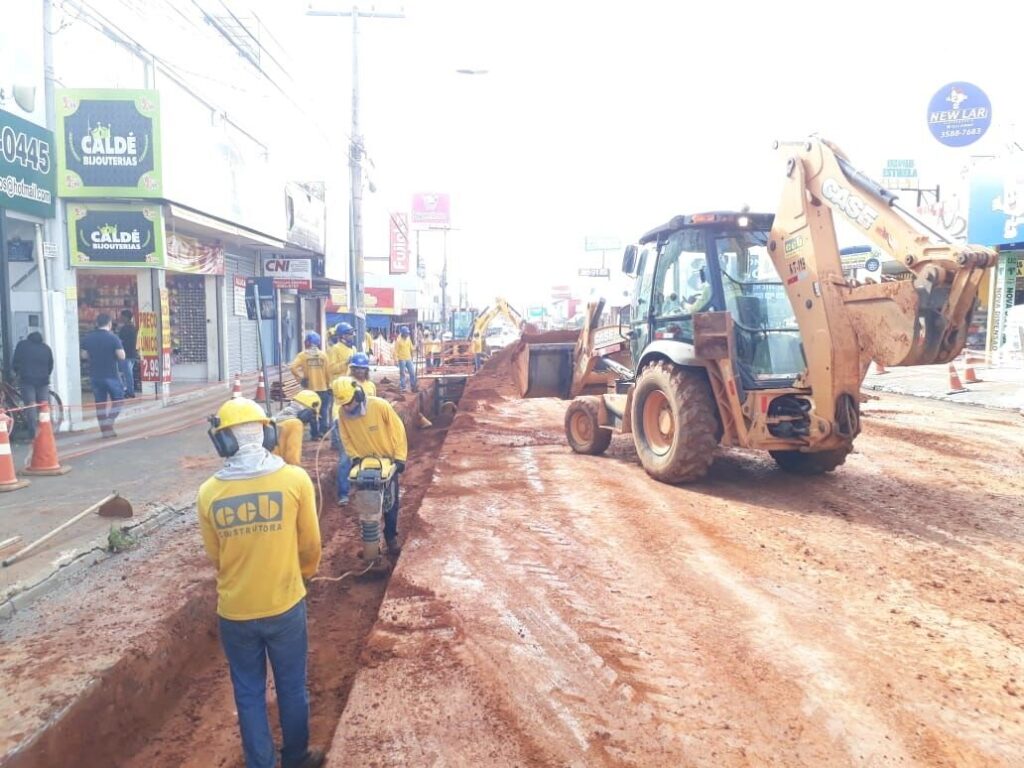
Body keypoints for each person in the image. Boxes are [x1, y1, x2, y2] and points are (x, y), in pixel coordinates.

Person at [198, 398, 324, 768]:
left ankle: (261, 763)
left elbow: (216, 557)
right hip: (285, 604)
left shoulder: (208, 493)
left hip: (235, 612)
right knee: (291, 687)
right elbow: (311, 544)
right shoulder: (294, 479)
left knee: (249, 692)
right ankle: (297, 757)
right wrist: (304, 575)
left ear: (223, 443)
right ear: (268, 433)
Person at [332, 377, 407, 552]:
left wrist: (400, 457)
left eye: (349, 403)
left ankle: (390, 537)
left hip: (387, 462)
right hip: (364, 465)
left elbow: (398, 430)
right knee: (367, 506)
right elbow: (346, 438)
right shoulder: (343, 414)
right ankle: (373, 545)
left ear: (357, 395)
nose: (346, 407)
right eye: (343, 404)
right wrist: (355, 457)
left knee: (390, 503)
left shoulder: (379, 406)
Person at [80, 313, 126, 438]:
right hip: (111, 375)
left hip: (95, 375)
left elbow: (83, 355)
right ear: (110, 324)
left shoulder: (88, 338)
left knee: (100, 404)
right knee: (118, 400)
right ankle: (109, 422)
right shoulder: (113, 338)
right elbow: (122, 356)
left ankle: (105, 431)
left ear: (96, 324)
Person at [11, 331, 53, 439]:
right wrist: (44, 374)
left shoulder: (22, 345)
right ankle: (45, 432)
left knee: (31, 406)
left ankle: (33, 434)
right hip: (43, 381)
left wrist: (17, 372)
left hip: (27, 381)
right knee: (43, 406)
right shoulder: (46, 348)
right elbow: (50, 365)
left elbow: (16, 362)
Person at [289, 333, 331, 440]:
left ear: (307, 342)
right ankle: (323, 432)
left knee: (312, 412)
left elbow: (293, 367)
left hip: (310, 391)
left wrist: (300, 379)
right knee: (323, 411)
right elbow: (328, 373)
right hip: (323, 389)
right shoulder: (323, 355)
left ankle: (315, 434)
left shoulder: (303, 356)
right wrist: (329, 385)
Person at [273, 390, 321, 467]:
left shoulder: (276, 419)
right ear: (307, 412)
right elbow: (292, 457)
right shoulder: (295, 424)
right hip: (277, 467)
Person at [117, 309, 139, 398]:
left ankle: (129, 391)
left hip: (125, 354)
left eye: (122, 317)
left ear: (126, 318)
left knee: (125, 374)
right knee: (128, 374)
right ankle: (129, 390)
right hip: (133, 354)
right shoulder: (134, 328)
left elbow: (120, 341)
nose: (120, 318)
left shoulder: (124, 329)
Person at [394, 325, 416, 392]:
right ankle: (403, 387)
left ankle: (413, 385)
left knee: (412, 372)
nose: (407, 334)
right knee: (402, 373)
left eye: (407, 333)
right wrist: (396, 360)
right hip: (401, 359)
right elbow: (395, 351)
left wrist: (415, 349)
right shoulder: (398, 340)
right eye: (406, 333)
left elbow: (411, 348)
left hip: (408, 358)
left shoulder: (408, 339)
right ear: (403, 333)